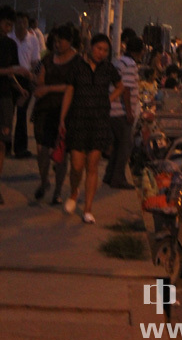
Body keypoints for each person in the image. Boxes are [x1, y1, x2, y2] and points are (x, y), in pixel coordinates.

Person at [59, 33, 124, 224]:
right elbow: (69, 91)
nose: (101, 53)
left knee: (92, 165)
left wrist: (108, 100)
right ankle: (74, 192)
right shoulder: (77, 66)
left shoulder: (108, 69)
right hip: (78, 120)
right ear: (91, 47)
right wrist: (62, 118)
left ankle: (88, 208)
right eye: (98, 48)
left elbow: (120, 86)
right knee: (76, 165)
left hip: (99, 121)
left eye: (105, 50)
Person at [32, 24, 78, 204]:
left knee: (61, 152)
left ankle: (58, 190)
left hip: (64, 110)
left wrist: (49, 88)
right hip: (44, 108)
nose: (57, 44)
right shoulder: (48, 59)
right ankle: (44, 181)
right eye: (55, 41)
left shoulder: (77, 61)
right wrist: (38, 83)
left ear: (70, 41)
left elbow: (72, 87)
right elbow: (40, 78)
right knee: (42, 150)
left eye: (61, 41)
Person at [0, 5, 31, 204]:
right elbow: (9, 70)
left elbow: (10, 72)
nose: (8, 27)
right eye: (6, 23)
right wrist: (13, 70)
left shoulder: (10, 44)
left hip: (5, 97)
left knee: (2, 142)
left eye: (10, 24)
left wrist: (20, 88)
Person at [104, 36, 143, 190]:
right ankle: (118, 178)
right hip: (119, 111)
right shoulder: (130, 64)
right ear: (139, 52)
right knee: (126, 145)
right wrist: (129, 112)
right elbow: (125, 89)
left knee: (118, 145)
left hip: (113, 110)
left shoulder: (119, 61)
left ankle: (110, 175)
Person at [9, 11, 40, 158]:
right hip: (9, 78)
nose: (21, 25)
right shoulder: (9, 38)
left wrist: (33, 78)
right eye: (19, 22)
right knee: (7, 113)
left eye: (24, 22)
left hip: (25, 78)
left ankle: (20, 148)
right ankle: (5, 145)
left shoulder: (33, 40)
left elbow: (35, 62)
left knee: (22, 114)